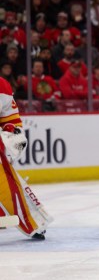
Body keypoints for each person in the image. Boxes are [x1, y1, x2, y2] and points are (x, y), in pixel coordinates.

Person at [0, 77, 52, 239]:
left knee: (6, 179)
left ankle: (31, 221)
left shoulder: (2, 85)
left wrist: (11, 130)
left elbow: (11, 119)